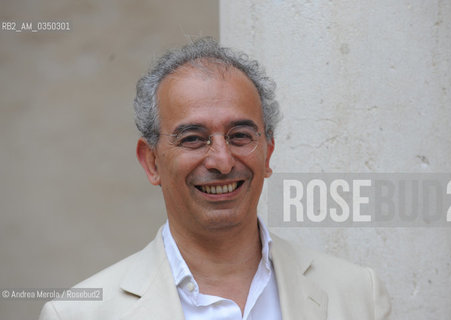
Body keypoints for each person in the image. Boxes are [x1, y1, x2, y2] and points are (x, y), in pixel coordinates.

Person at [39, 38, 391, 320]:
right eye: (193, 138)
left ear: (267, 153)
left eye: (240, 135)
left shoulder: (358, 296)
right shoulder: (78, 314)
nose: (222, 161)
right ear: (152, 162)